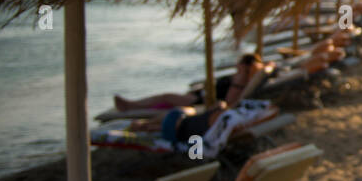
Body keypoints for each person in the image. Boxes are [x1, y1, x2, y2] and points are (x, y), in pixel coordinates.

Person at [113, 53, 265, 112]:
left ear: (244, 65)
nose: (236, 64)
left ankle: (131, 106)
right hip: (202, 95)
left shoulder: (240, 79)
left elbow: (230, 101)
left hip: (202, 101)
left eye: (239, 62)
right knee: (166, 97)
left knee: (166, 97)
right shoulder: (242, 77)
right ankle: (132, 104)